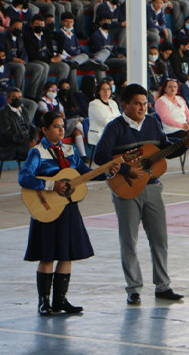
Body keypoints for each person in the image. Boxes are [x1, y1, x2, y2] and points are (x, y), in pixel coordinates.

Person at [19, 111, 121, 315]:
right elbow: (24, 178)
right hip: (46, 207)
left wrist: (107, 172)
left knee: (67, 254)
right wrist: (51, 185)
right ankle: (44, 302)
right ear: (45, 130)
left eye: (62, 126)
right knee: (47, 255)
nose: (60, 130)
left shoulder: (70, 150)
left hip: (67, 207)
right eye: (56, 126)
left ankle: (60, 300)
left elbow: (84, 173)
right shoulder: (37, 152)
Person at [94, 84, 185, 305]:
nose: (142, 108)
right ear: (124, 104)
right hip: (125, 189)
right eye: (137, 103)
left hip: (153, 186)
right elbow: (100, 156)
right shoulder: (115, 127)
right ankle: (133, 288)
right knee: (129, 240)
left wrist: (185, 144)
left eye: (144, 103)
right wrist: (126, 169)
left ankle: (163, 286)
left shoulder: (153, 123)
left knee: (159, 239)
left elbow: (164, 149)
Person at [0, 87, 38, 162]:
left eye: (19, 97)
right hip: (10, 147)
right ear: (8, 99)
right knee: (37, 152)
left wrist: (34, 139)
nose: (17, 99)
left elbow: (31, 127)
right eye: (14, 97)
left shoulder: (24, 110)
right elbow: (8, 135)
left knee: (46, 148)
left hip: (26, 143)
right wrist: (27, 143)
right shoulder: (2, 113)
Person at [87, 79, 120, 148]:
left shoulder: (113, 103)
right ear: (99, 91)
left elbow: (120, 118)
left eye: (108, 89)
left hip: (113, 134)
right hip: (99, 136)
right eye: (103, 89)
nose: (106, 92)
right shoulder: (94, 104)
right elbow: (105, 121)